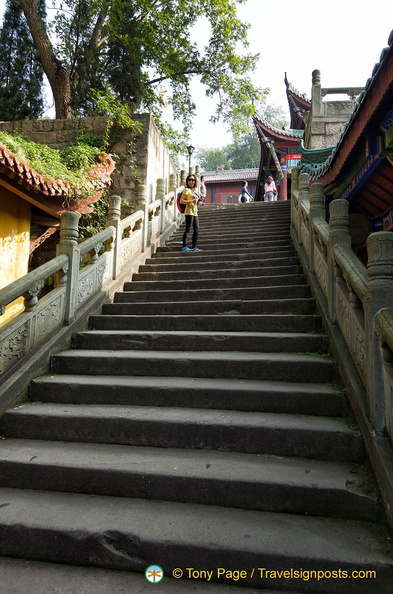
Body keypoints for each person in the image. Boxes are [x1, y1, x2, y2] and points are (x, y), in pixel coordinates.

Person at [180, 174, 203, 252]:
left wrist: (199, 203)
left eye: (193, 180)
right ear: (187, 181)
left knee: (196, 229)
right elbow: (181, 201)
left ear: (195, 181)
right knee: (188, 229)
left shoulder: (193, 191)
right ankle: (184, 247)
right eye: (189, 179)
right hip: (189, 211)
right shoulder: (186, 190)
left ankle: (194, 247)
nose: (191, 181)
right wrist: (192, 201)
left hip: (195, 211)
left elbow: (197, 202)